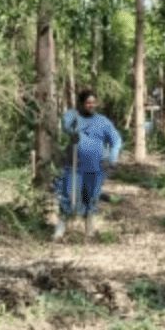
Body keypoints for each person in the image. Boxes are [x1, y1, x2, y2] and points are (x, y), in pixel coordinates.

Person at [54, 90, 123, 241]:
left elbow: (116, 139)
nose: (91, 105)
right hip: (74, 166)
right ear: (81, 103)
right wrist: (73, 129)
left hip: (95, 167)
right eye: (87, 102)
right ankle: (59, 231)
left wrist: (113, 157)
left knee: (90, 198)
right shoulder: (72, 116)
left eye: (93, 102)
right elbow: (66, 125)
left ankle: (89, 231)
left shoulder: (102, 121)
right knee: (68, 195)